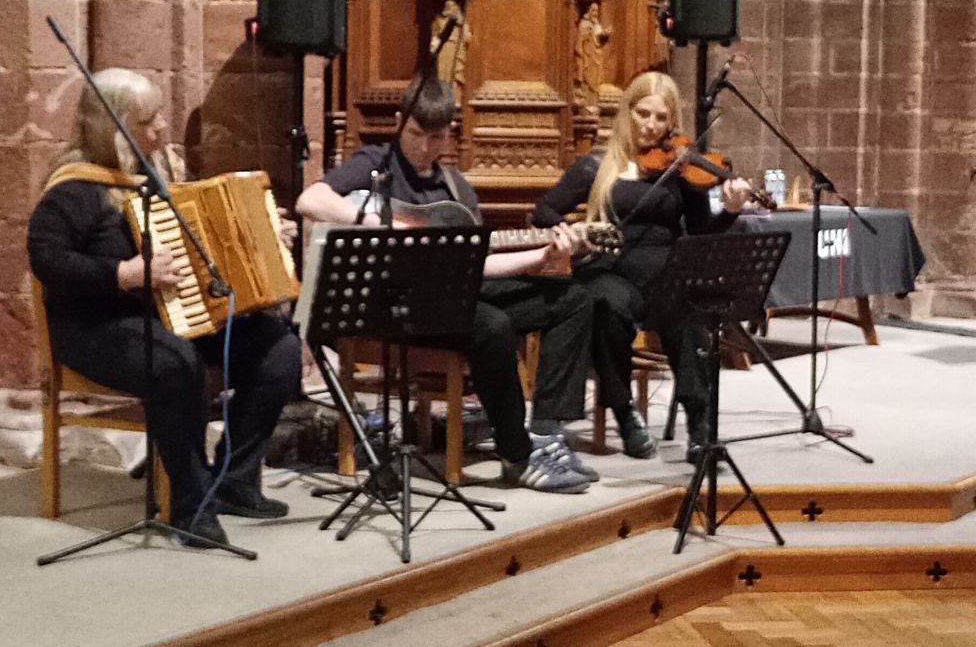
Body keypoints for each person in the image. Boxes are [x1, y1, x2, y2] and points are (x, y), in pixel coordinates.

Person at [27, 68, 300, 547]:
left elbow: (205, 236)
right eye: (147, 121)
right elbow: (47, 261)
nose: (161, 128)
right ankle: (190, 505)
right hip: (95, 327)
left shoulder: (162, 174)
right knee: (176, 362)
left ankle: (233, 479)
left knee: (280, 350)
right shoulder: (71, 190)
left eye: (159, 116)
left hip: (174, 313)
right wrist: (122, 273)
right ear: (112, 128)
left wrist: (264, 235)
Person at [296, 75, 597, 493]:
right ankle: (517, 455)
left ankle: (546, 431)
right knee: (492, 326)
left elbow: (482, 264)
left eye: (435, 137)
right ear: (399, 122)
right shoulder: (376, 163)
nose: (424, 147)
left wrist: (543, 257)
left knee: (574, 298)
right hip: (395, 304)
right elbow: (309, 200)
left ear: (450, 132)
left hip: (453, 294)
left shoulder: (455, 189)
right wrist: (381, 223)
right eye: (416, 134)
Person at [532, 71, 753, 461]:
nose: (651, 125)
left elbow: (701, 229)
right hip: (611, 270)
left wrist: (730, 210)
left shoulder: (681, 169)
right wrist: (573, 233)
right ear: (627, 112)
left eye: (661, 118)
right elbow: (544, 211)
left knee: (691, 309)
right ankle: (624, 411)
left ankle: (699, 426)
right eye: (643, 113)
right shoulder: (595, 166)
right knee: (605, 304)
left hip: (665, 273)